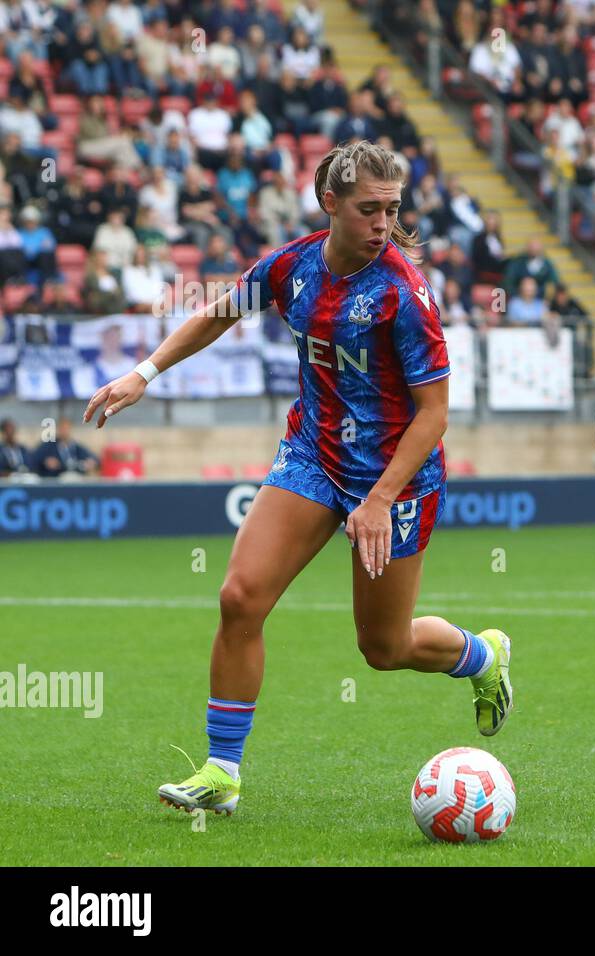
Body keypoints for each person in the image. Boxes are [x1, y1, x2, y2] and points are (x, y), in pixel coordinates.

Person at [83, 141, 515, 817]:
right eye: (369, 209)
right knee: (239, 598)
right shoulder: (293, 264)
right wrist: (144, 373)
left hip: (394, 479)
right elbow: (223, 309)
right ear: (329, 203)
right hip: (312, 455)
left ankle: (482, 657)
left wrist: (376, 501)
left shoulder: (404, 294)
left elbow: (434, 416)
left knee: (383, 647)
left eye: (392, 209)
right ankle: (222, 773)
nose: (382, 223)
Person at [33, 417, 101, 478]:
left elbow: (95, 459)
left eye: (66, 428)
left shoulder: (76, 447)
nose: (64, 431)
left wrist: (91, 462)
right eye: (62, 428)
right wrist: (45, 462)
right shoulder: (48, 446)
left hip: (75, 478)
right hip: (55, 479)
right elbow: (35, 459)